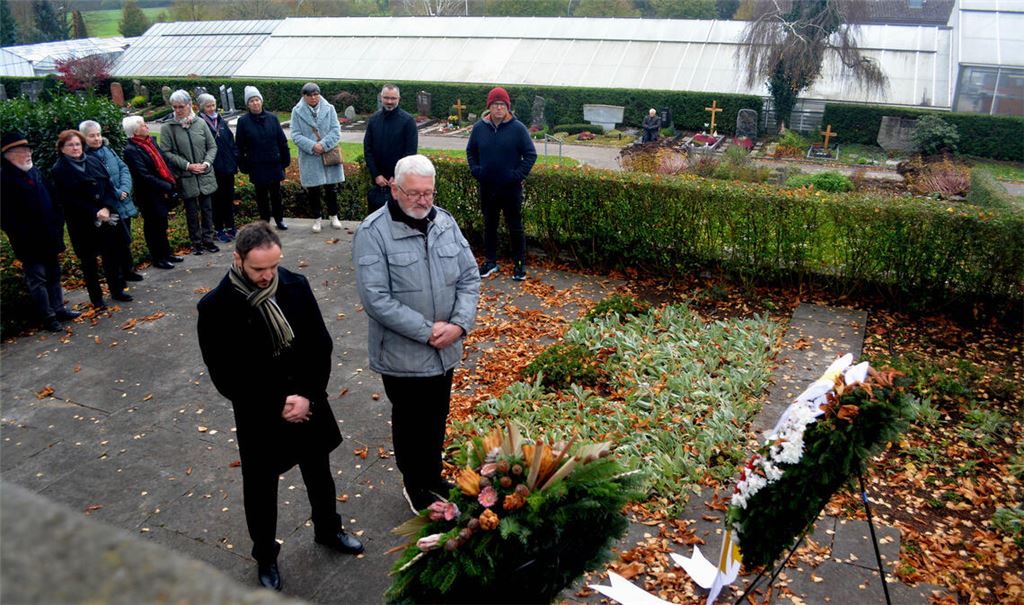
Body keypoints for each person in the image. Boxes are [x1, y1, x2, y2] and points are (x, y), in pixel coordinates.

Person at [197, 221, 364, 592]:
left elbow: (320, 345)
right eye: (259, 269)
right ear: (238, 259)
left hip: (307, 401)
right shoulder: (215, 308)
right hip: (260, 415)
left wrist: (307, 395)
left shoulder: (295, 286)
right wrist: (278, 403)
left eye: (273, 266)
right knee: (260, 489)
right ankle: (265, 556)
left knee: (319, 472)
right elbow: (226, 374)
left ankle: (328, 529)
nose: (268, 275)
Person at [353, 154, 480, 513]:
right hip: (402, 354)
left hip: (446, 348)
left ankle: (433, 476)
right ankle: (415, 485)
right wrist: (428, 331)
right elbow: (375, 299)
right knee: (411, 423)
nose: (423, 201)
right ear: (394, 189)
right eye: (414, 193)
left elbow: (470, 277)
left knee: (436, 416)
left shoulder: (446, 223)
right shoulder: (373, 232)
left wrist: (459, 324)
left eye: (429, 193)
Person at [1, 130, 79, 332]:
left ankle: (59, 309)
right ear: (8, 155)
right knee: (38, 280)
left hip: (49, 236)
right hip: (28, 242)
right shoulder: (5, 179)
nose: (28, 154)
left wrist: (57, 222)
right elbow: (7, 218)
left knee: (54, 275)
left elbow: (54, 199)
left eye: (28, 150)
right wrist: (24, 234)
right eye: (22, 151)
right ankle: (48, 316)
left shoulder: (35, 172)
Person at [49, 130, 134, 307]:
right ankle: (97, 299)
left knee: (112, 255)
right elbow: (67, 199)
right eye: (70, 145)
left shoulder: (93, 160)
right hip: (83, 222)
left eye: (78, 144)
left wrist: (106, 207)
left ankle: (117, 290)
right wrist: (95, 211)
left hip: (106, 217)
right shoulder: (59, 170)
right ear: (62, 148)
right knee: (89, 262)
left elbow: (108, 187)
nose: (75, 148)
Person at [466, 86, 537, 282]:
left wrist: (517, 175)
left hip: (510, 188)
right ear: (489, 107)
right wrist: (476, 170)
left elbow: (531, 154)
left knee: (515, 227)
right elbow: (471, 151)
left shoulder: (518, 129)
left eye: (502, 105)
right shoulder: (480, 128)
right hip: (487, 187)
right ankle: (490, 262)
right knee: (489, 225)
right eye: (495, 104)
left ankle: (519, 264)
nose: (498, 108)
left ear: (507, 107)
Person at [80, 120, 142, 282]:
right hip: (109, 205)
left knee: (125, 239)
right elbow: (100, 182)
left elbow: (123, 168)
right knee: (114, 243)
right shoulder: (86, 157)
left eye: (98, 135)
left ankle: (129, 270)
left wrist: (125, 190)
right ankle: (119, 274)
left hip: (123, 200)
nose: (97, 139)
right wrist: (116, 193)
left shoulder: (108, 150)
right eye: (92, 136)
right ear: (84, 138)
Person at [159, 90, 219, 256]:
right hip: (186, 176)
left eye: (181, 107)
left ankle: (209, 240)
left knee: (207, 210)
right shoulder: (168, 127)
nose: (178, 110)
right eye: (175, 107)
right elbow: (166, 151)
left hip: (204, 173)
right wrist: (187, 165)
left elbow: (212, 146)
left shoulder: (200, 123)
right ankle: (196, 243)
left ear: (189, 105)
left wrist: (206, 163)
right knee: (191, 212)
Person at [122, 116, 183, 270]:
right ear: (135, 131)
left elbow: (164, 160)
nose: (146, 127)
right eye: (143, 125)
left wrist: (171, 179)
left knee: (162, 224)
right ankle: (158, 258)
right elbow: (143, 175)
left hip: (161, 190)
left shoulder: (151, 141)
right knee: (153, 226)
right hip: (149, 194)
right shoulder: (131, 150)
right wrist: (166, 186)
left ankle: (167, 254)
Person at [290, 82, 344, 233]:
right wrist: (313, 146)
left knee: (331, 188)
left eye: (316, 94)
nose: (314, 98)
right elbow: (295, 134)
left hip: (327, 153)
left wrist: (323, 144)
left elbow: (335, 130)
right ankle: (317, 219)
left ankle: (334, 216)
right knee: (313, 189)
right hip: (310, 156)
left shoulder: (329, 108)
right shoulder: (297, 111)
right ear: (304, 96)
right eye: (310, 95)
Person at [236, 86, 290, 231]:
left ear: (261, 101)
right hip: (257, 165)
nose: (255, 103)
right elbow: (240, 146)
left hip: (273, 163)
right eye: (252, 101)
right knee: (261, 196)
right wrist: (243, 165)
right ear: (248, 104)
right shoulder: (243, 121)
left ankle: (279, 219)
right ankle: (264, 222)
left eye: (257, 100)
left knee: (276, 194)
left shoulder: (272, 118)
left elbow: (282, 141)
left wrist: (285, 160)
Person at [362, 84, 417, 213]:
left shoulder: (408, 121)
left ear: (399, 99)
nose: (389, 102)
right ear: (381, 98)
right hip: (378, 182)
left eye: (393, 98)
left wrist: (396, 176)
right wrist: (376, 175)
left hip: (399, 182)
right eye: (386, 98)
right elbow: (367, 149)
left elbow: (410, 153)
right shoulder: (374, 120)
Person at [197, 93, 239, 243]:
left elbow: (230, 141)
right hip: (213, 169)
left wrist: (234, 159)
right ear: (202, 108)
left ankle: (231, 226)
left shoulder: (221, 121)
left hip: (227, 167)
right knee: (216, 201)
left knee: (228, 198)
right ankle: (219, 228)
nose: (211, 108)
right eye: (208, 106)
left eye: (213, 105)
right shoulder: (199, 123)